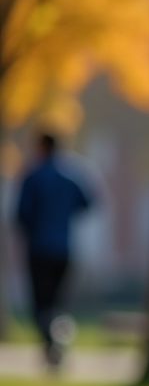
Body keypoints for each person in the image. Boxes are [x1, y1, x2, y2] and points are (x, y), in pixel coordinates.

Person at [15, 132, 94, 371]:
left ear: (41, 146)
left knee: (41, 303)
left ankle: (51, 342)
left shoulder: (33, 176)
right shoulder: (72, 175)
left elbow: (21, 214)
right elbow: (88, 203)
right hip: (64, 249)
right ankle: (57, 340)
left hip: (39, 249)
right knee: (58, 303)